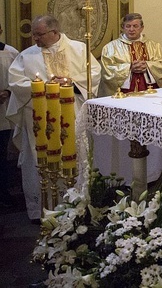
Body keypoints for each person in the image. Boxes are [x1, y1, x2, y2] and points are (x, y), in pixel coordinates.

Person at [6, 15, 101, 220]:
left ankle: (77, 204)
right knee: (39, 158)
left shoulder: (79, 49)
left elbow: (93, 74)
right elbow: (15, 82)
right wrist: (44, 88)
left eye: (39, 34)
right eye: (33, 34)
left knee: (75, 154)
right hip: (39, 118)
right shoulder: (26, 56)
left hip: (72, 113)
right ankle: (41, 208)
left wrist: (69, 83)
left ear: (54, 32)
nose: (34, 39)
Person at [100, 13, 162, 96]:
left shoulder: (155, 46)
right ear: (123, 27)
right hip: (123, 93)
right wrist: (129, 68)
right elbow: (107, 71)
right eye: (128, 26)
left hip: (150, 92)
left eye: (135, 26)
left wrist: (148, 66)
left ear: (142, 28)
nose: (131, 29)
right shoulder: (110, 48)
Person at [0, 23, 19, 208]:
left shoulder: (11, 53)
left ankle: (4, 192)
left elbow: (18, 78)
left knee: (2, 154)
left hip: (3, 110)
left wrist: (7, 91)